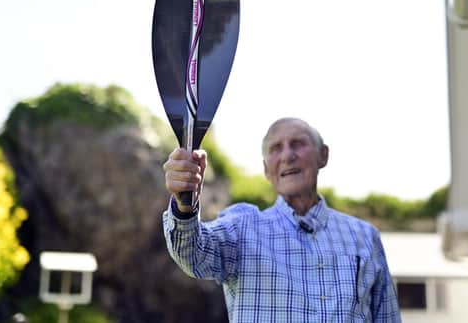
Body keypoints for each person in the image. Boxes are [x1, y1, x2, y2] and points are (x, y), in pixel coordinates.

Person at [162, 117, 401, 322]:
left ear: (323, 155)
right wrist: (185, 205)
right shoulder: (241, 227)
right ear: (267, 169)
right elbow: (192, 254)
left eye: (298, 143)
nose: (287, 155)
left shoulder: (364, 236)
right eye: (276, 148)